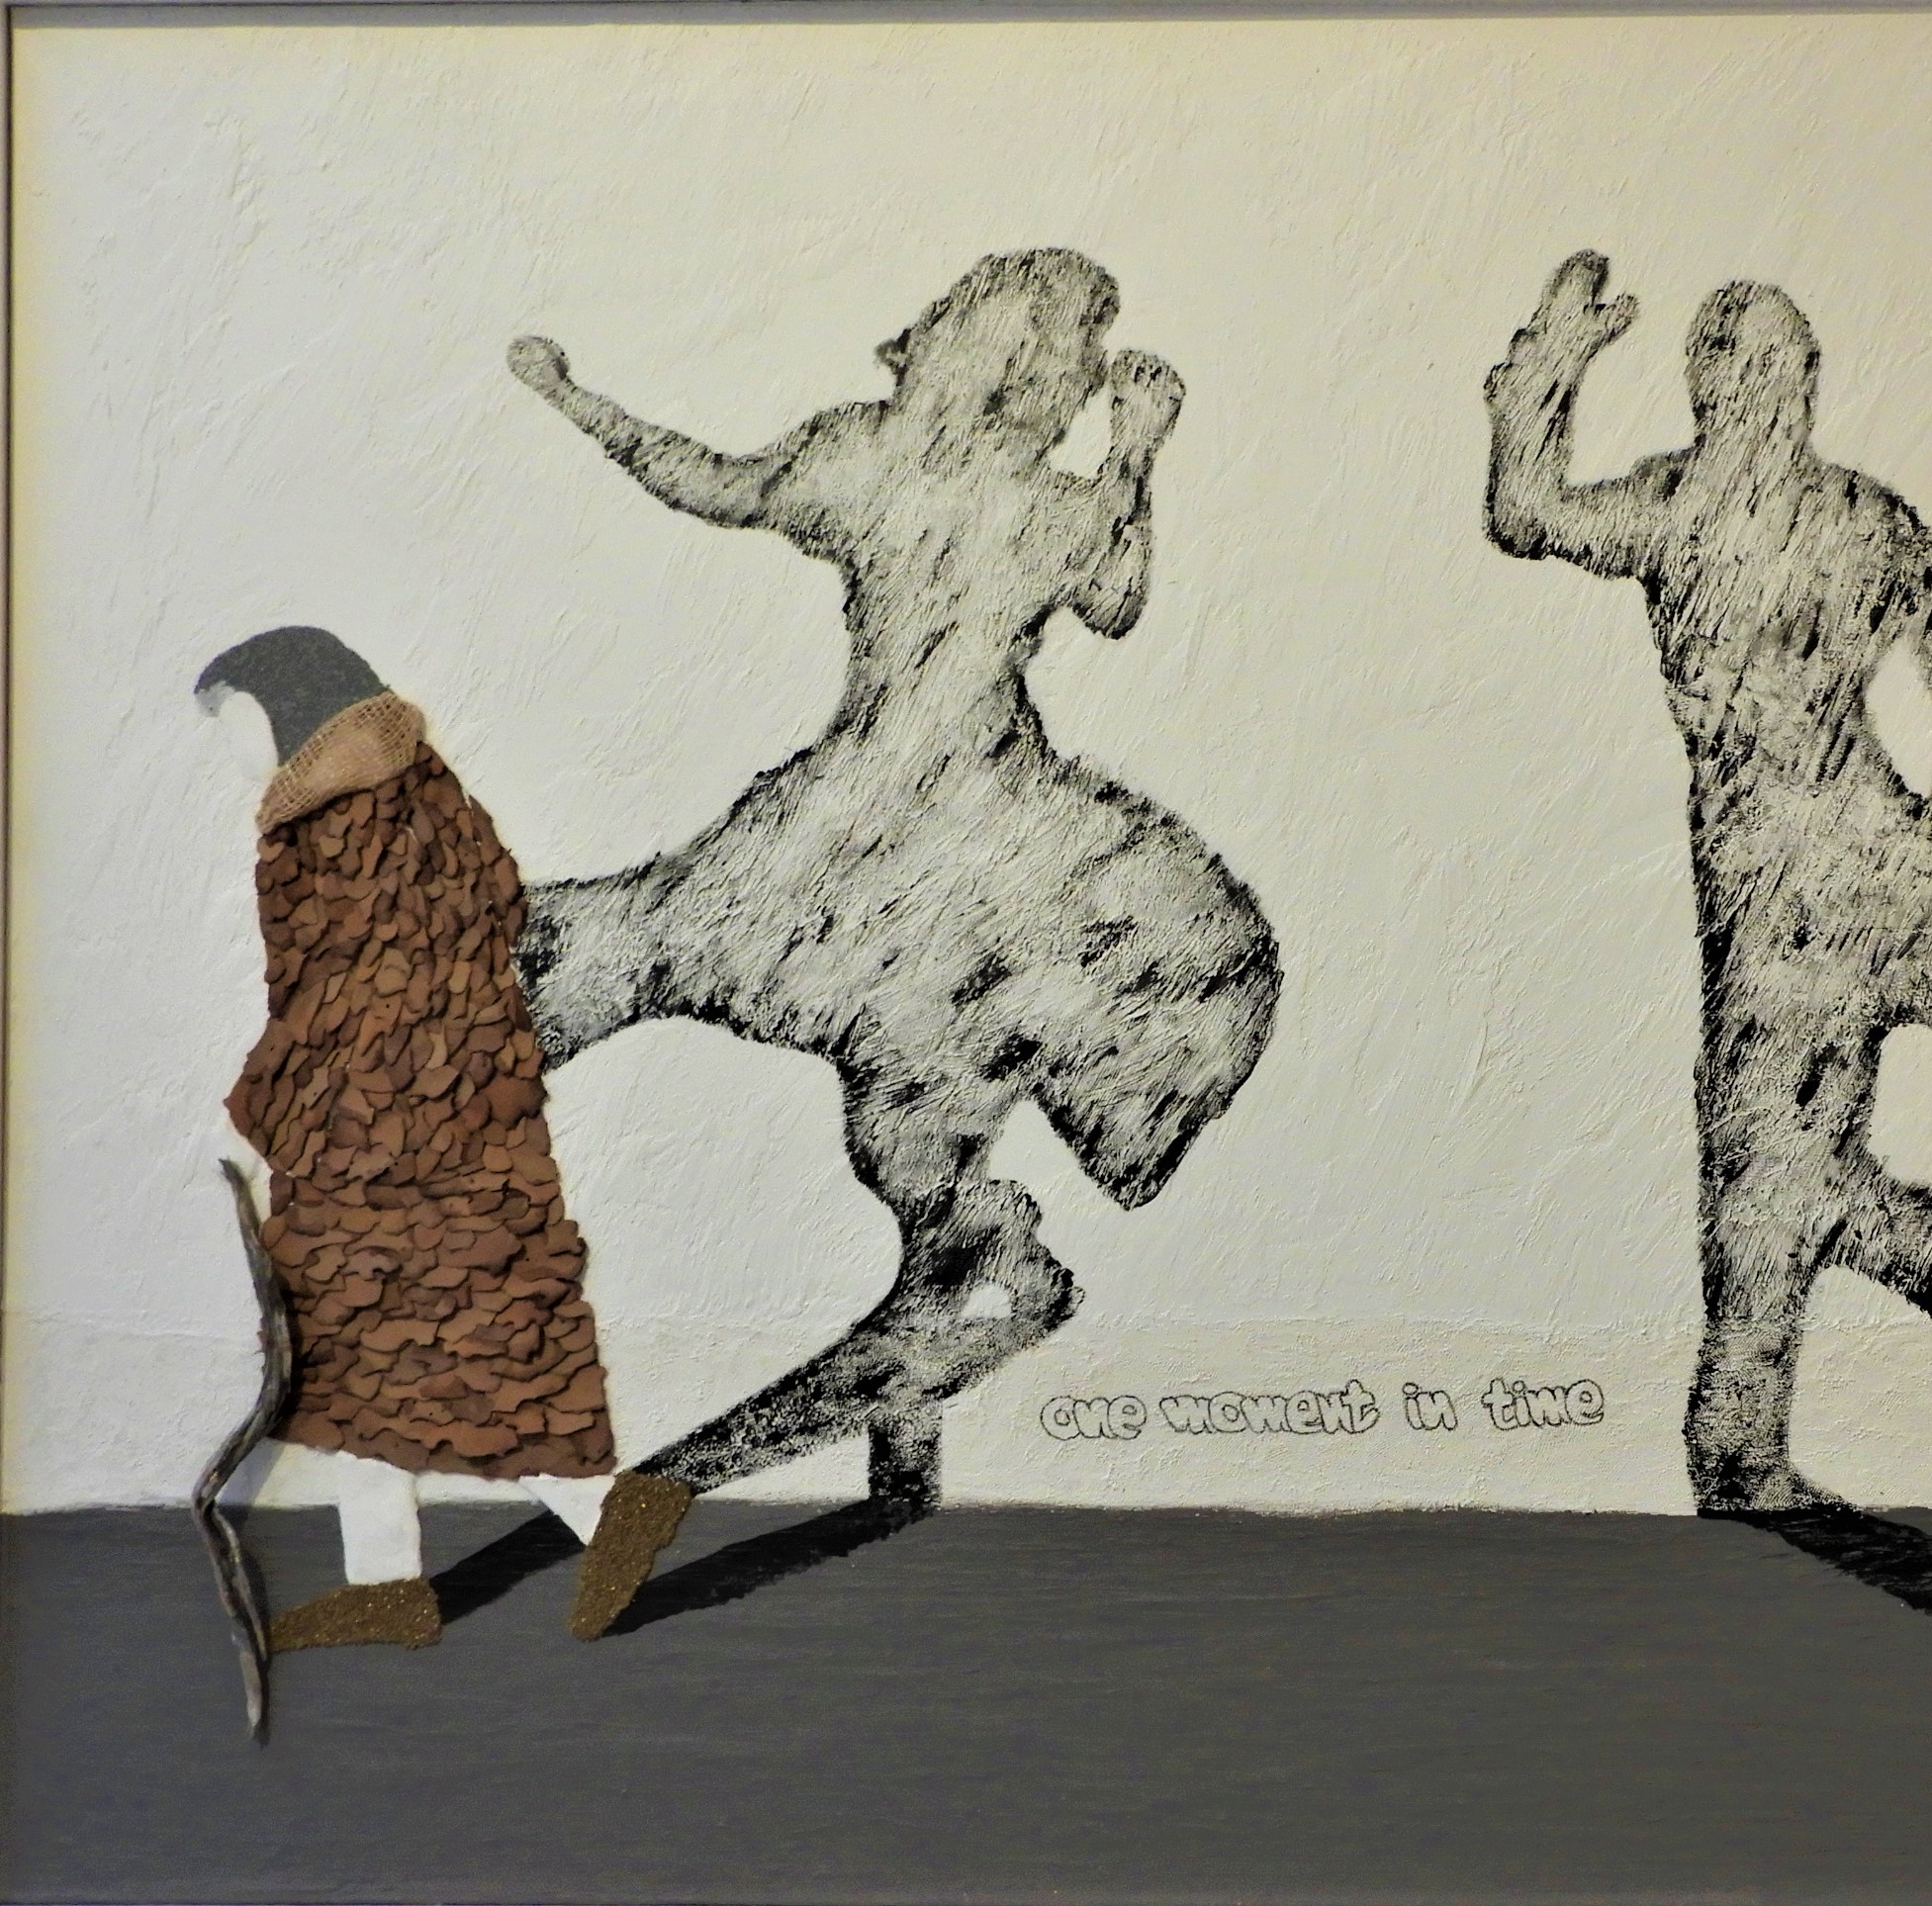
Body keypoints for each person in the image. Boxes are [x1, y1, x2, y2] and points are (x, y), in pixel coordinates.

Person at [504, 250, 1279, 1634]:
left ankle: (867, 1453)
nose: (1080, 387)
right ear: (1036, 372)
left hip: (881, 838)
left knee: (630, 961)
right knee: (918, 1161)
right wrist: (1135, 451)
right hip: (970, 850)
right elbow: (1114, 594)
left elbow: (712, 482)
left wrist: (583, 404)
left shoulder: (863, 457)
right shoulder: (1035, 499)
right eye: (1076, 365)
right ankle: (829, 1441)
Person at [1483, 252, 1932, 1512]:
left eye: (1760, 368)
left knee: (1765, 1164)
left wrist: (1546, 381)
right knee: (1786, 1164)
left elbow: (1527, 509)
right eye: (1736, 369)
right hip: (1831, 871)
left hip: (1793, 887)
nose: (1749, 391)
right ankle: (1775, 1423)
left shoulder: (1703, 510)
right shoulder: (1836, 517)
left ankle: (1927, 1351)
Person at [200, 625, 619, 1651]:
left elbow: (335, 1000)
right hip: (405, 1131)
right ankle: (387, 1582)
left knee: (461, 1354)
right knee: (368, 1363)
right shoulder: (408, 793)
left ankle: (613, 1517)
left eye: (239, 721)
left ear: (293, 712)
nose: (235, 747)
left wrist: (253, 1114)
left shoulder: (344, 822)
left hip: (391, 1148)